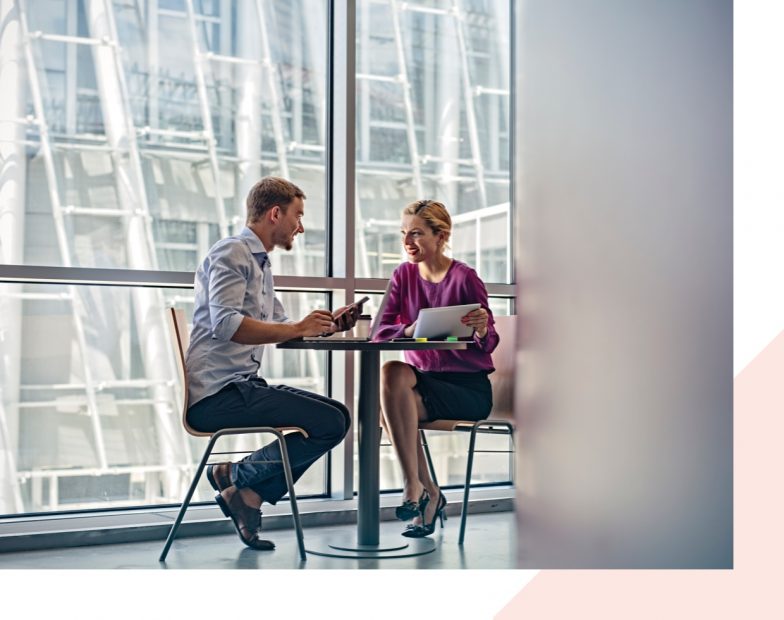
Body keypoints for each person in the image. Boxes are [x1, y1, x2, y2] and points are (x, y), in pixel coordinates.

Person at [185, 177, 355, 550]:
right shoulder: (231, 254)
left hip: (242, 386)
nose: (301, 226)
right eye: (298, 216)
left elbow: (283, 332)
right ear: (275, 213)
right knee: (329, 423)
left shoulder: (261, 265)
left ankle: (246, 498)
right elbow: (227, 324)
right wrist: (295, 326)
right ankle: (234, 475)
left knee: (338, 417)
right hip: (217, 397)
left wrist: (326, 327)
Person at [373, 199, 499, 538]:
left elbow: (488, 344)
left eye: (416, 233)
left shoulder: (465, 278)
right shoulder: (403, 274)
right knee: (391, 373)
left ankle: (421, 492)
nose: (407, 242)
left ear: (440, 235)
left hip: (467, 389)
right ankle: (422, 489)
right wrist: (410, 330)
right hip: (423, 382)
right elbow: (378, 332)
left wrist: (484, 329)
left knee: (388, 411)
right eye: (403, 234)